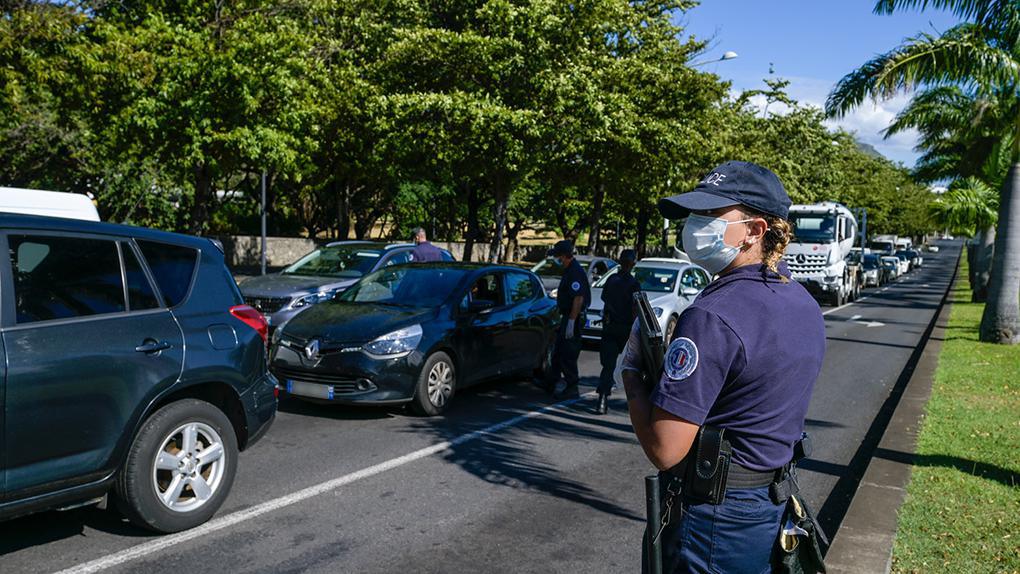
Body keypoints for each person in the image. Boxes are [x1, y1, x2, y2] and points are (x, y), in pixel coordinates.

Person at [619, 161, 826, 573]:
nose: (696, 226)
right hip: (771, 506)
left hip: (715, 521)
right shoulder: (803, 302)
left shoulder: (712, 315)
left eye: (711, 215)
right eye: (694, 215)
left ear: (756, 230)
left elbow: (665, 448)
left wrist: (631, 373)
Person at [536, 240, 591, 399]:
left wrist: (572, 322)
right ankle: (550, 383)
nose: (556, 260)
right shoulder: (570, 270)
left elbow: (578, 299)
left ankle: (572, 386)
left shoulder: (575, 272)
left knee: (568, 353)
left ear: (564, 256)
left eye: (557, 256)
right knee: (558, 352)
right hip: (568, 316)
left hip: (573, 317)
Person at [595, 248, 640, 415]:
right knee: (631, 367)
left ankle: (602, 400)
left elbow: (605, 300)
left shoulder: (611, 280)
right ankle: (634, 404)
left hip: (610, 327)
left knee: (608, 366)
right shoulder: (634, 284)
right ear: (633, 263)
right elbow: (636, 309)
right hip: (626, 329)